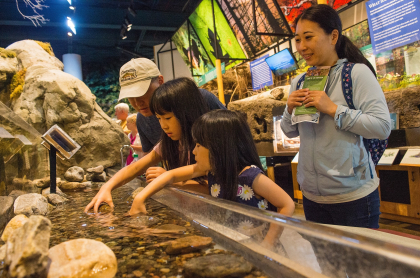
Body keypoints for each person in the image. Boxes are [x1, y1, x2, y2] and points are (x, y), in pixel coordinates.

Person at [280, 5, 391, 228]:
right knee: (325, 263)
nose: (302, 47)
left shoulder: (356, 73)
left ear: (333, 36)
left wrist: (333, 109)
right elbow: (289, 131)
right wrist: (289, 109)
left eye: (308, 37)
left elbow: (381, 126)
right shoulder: (299, 82)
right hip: (311, 198)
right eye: (298, 40)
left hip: (354, 198)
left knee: (358, 264)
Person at [129, 110, 295, 247]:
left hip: (260, 247)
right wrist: (141, 197)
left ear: (220, 148)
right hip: (235, 243)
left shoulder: (250, 177)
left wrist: (267, 245)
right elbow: (170, 175)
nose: (194, 152)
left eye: (199, 145)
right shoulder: (212, 170)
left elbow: (287, 204)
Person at [85, 78, 210, 213]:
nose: (163, 126)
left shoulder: (207, 143)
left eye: (167, 118)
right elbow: (135, 167)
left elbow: (212, 187)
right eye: (159, 119)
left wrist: (168, 179)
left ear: (187, 112)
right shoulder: (170, 142)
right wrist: (107, 187)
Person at [118, 58, 225, 155]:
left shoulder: (200, 98)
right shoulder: (142, 120)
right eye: (130, 96)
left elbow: (232, 140)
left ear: (160, 81)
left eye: (142, 92)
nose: (137, 102)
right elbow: (153, 158)